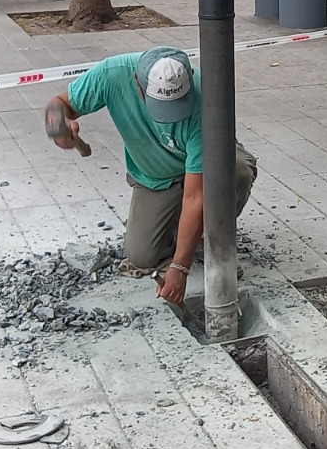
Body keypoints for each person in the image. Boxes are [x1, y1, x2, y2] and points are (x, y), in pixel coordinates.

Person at [48, 47, 258, 306]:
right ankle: (181, 229)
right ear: (138, 83)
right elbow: (58, 105)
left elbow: (195, 196)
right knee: (142, 256)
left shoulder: (207, 100)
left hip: (205, 165)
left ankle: (210, 233)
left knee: (236, 171)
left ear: (190, 79)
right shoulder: (112, 74)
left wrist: (180, 268)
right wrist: (57, 127)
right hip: (156, 174)